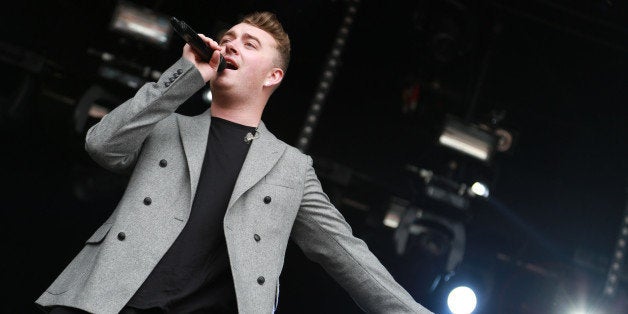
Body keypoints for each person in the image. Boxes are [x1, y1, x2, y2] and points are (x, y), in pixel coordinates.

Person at [36, 11, 433, 314]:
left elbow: (346, 254)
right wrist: (184, 75)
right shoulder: (167, 124)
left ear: (272, 76)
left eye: (249, 43)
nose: (230, 46)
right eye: (228, 39)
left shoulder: (290, 168)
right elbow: (102, 146)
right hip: (103, 303)